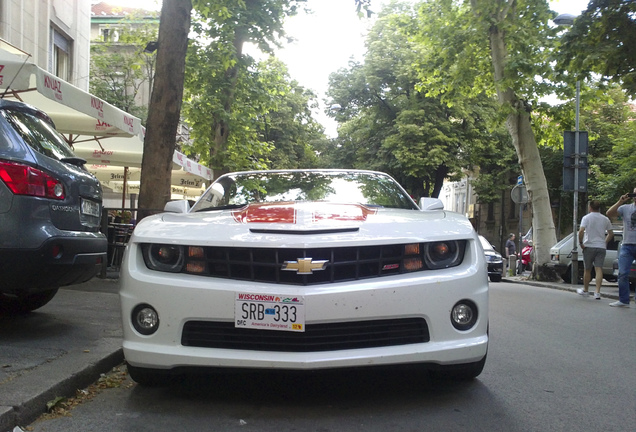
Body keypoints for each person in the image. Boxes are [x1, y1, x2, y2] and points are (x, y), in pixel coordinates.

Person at [577, 200, 614, 299]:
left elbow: (581, 231)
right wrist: (604, 242)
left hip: (589, 246)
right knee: (599, 269)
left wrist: (581, 243)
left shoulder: (586, 218)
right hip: (601, 247)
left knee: (587, 269)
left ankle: (586, 290)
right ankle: (597, 292)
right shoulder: (605, 219)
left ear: (590, 207)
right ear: (599, 208)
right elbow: (611, 233)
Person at [606, 189, 636, 307]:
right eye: (634, 194)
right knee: (622, 273)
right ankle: (624, 300)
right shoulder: (626, 208)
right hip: (627, 245)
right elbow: (609, 213)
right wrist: (620, 202)